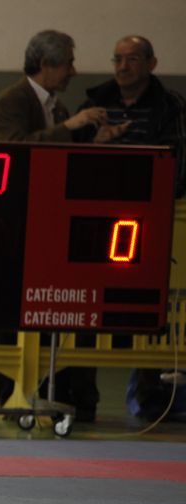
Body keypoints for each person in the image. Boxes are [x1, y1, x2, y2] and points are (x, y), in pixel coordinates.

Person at [0, 30, 120, 422]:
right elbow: (13, 149)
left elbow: (61, 161)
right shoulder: (12, 100)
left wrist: (96, 144)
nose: (73, 72)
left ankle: (57, 393)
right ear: (46, 64)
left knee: (51, 312)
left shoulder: (57, 107)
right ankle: (13, 395)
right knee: (13, 314)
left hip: (48, 223)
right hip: (17, 222)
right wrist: (71, 126)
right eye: (68, 64)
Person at [76, 36, 186, 420]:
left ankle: (150, 395)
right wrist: (98, 144)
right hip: (94, 223)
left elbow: (177, 166)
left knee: (150, 309)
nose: (123, 67)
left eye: (133, 59)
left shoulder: (170, 107)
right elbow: (71, 163)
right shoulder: (93, 106)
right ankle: (80, 397)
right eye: (118, 59)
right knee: (84, 308)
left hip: (149, 222)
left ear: (152, 63)